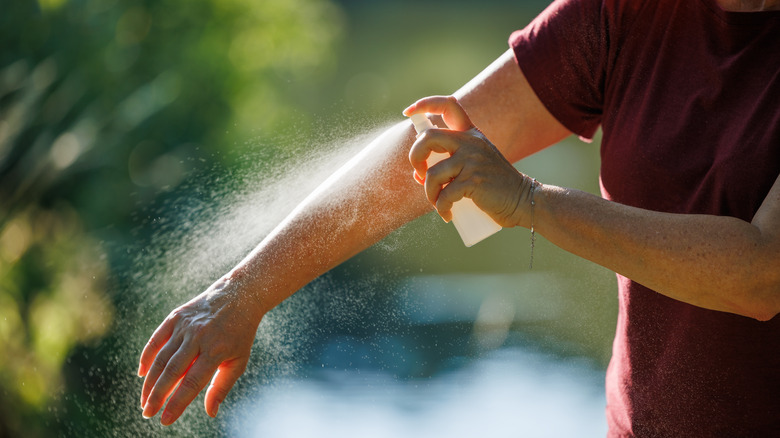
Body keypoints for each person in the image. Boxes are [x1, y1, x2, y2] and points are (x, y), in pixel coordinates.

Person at [138, 0, 780, 435]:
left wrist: (530, 203)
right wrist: (243, 293)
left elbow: (761, 272)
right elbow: (431, 146)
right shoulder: (627, 11)